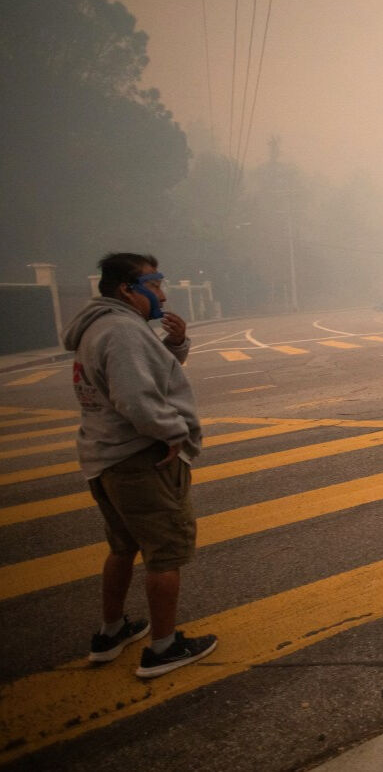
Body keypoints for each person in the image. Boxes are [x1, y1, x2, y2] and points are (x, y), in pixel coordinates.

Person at [61, 252, 217, 679]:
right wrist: (173, 433)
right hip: (140, 459)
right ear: (127, 289)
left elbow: (147, 379)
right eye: (155, 283)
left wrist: (176, 345)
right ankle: (163, 648)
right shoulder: (122, 332)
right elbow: (136, 399)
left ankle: (111, 633)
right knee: (165, 554)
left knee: (123, 547)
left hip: (106, 456)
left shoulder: (101, 327)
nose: (162, 293)